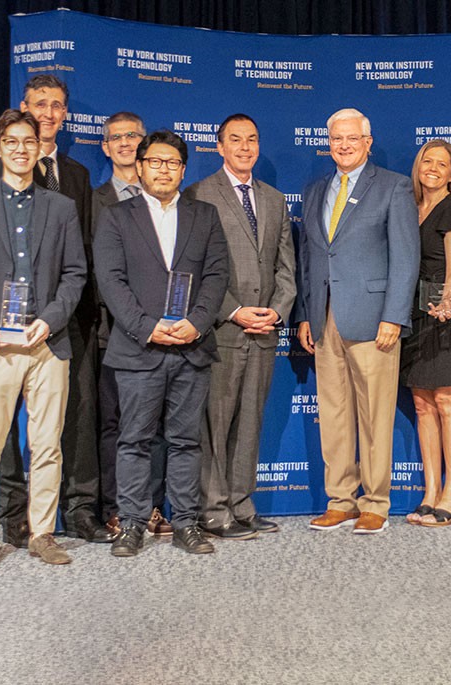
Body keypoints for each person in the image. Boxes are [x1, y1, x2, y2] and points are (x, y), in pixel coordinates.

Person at [0, 109, 87, 569]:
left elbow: (74, 274)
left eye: (29, 141)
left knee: (46, 444)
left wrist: (49, 319)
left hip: (48, 344)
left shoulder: (61, 208)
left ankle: (43, 533)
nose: (21, 149)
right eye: (12, 141)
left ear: (38, 147)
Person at [0, 74, 106, 546]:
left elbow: (83, 253)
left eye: (56, 106)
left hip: (66, 316)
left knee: (73, 416)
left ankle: (78, 506)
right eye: (39, 105)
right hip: (7, 323)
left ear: (65, 115)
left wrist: (65, 311)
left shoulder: (77, 175)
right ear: (25, 108)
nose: (49, 113)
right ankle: (14, 510)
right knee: (8, 423)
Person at [94, 130, 230, 557]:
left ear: (183, 170)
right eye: (155, 162)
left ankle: (186, 521)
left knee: (186, 441)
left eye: (172, 163)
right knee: (134, 441)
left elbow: (216, 275)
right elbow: (111, 281)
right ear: (140, 167)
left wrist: (197, 322)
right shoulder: (117, 217)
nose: (163, 169)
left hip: (191, 348)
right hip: (139, 349)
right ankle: (132, 522)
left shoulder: (204, 215)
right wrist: (146, 326)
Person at [295, 108, 419, 534]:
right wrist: (306, 315)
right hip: (324, 317)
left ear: (368, 141)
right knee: (333, 414)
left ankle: (376, 502)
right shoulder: (314, 190)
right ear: (327, 143)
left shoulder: (393, 186)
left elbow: (406, 258)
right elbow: (310, 260)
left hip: (373, 319)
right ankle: (341, 499)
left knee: (375, 414)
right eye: (336, 139)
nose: (343, 145)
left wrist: (394, 316)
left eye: (351, 138)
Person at [186, 113, 296, 539]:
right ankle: (212, 510)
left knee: (250, 422)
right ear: (219, 146)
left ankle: (241, 504)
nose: (245, 147)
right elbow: (193, 268)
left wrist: (278, 309)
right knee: (216, 423)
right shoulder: (200, 194)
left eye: (252, 139)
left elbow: (286, 265)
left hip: (265, 331)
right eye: (235, 140)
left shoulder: (273, 198)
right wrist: (232, 311)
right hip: (222, 331)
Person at [92, 111, 173, 539]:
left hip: (166, 334)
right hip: (113, 332)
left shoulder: (173, 201)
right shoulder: (95, 200)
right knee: (117, 427)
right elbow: (101, 274)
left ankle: (154, 507)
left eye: (133, 136)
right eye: (116, 137)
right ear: (106, 147)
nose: (124, 142)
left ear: (144, 151)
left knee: (158, 426)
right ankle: (118, 509)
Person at [400, 139, 451, 528]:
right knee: (423, 405)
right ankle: (430, 493)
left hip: (445, 316)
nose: (433, 168)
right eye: (427, 161)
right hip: (414, 314)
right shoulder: (412, 208)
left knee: (447, 401)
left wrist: (446, 303)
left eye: (442, 164)